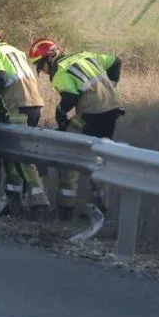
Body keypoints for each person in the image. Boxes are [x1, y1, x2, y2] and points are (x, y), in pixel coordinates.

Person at [27, 38, 124, 220]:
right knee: (99, 158)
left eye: (40, 65)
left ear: (49, 58)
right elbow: (116, 62)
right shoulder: (85, 55)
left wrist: (60, 112)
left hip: (92, 113)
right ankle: (101, 206)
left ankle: (67, 207)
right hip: (111, 110)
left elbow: (71, 97)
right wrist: (112, 86)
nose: (42, 71)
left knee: (71, 153)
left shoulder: (60, 73)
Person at [0, 29, 52, 218]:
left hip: (18, 106)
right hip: (34, 105)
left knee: (22, 156)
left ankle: (41, 204)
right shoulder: (16, 51)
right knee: (13, 154)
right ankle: (14, 202)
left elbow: (1, 79)